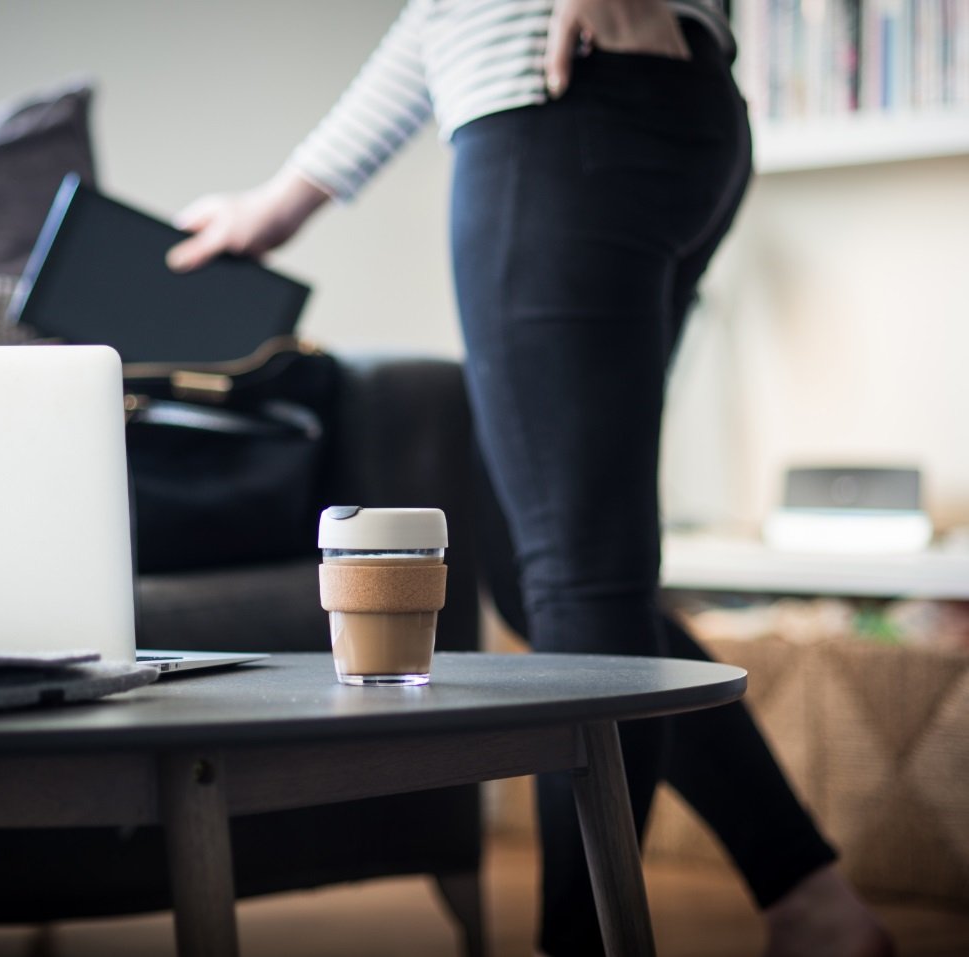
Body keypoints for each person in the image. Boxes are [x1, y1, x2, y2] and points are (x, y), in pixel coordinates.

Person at [166, 1, 895, 955]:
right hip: (644, 111)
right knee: (546, 566)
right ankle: (810, 899)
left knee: (578, 578)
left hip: (561, 114)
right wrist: (288, 197)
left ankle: (584, 941)